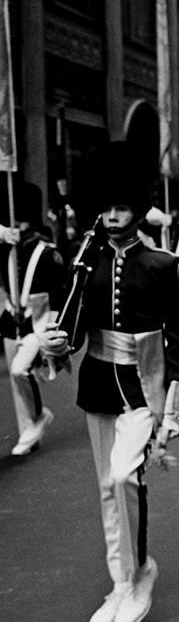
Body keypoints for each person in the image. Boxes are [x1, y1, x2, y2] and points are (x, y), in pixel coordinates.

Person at [39, 141, 179, 622]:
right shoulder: (85, 262)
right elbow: (78, 330)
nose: (111, 215)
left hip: (145, 386)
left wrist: (172, 411)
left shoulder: (166, 266)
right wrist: (57, 343)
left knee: (127, 476)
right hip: (100, 383)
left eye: (120, 207)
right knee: (106, 486)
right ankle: (120, 583)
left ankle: (142, 570)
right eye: (105, 207)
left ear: (138, 208)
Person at [0, 181, 65, 455]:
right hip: (11, 319)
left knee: (19, 370)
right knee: (18, 383)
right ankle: (30, 432)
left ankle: (39, 417)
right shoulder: (4, 246)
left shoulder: (48, 252)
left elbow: (61, 293)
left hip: (38, 322)